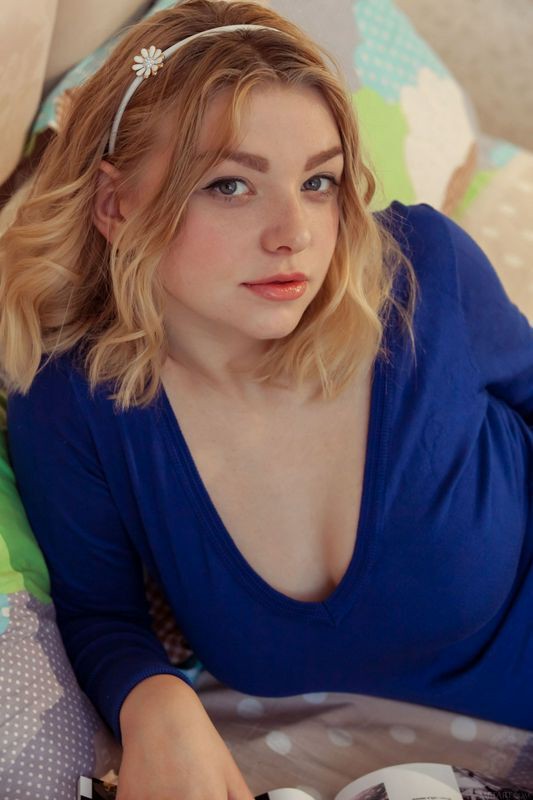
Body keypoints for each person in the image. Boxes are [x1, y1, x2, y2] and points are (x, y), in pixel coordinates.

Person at [0, 0, 532, 797]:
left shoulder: (424, 276)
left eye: (317, 181)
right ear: (115, 205)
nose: (295, 233)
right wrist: (154, 703)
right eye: (231, 185)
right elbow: (100, 615)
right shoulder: (73, 401)